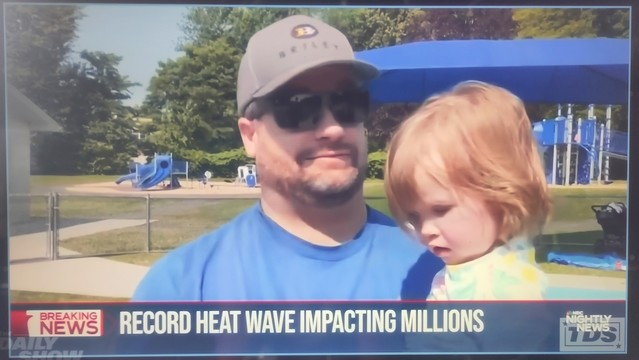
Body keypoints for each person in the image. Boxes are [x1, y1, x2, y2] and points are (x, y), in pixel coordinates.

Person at [133, 15, 442, 301]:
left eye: (348, 102)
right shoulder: (180, 291)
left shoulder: (441, 273)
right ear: (250, 135)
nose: (333, 128)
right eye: (298, 107)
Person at [385, 81, 552, 300]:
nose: (426, 230)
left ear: (499, 197)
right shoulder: (459, 272)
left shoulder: (507, 285)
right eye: (414, 217)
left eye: (441, 209)